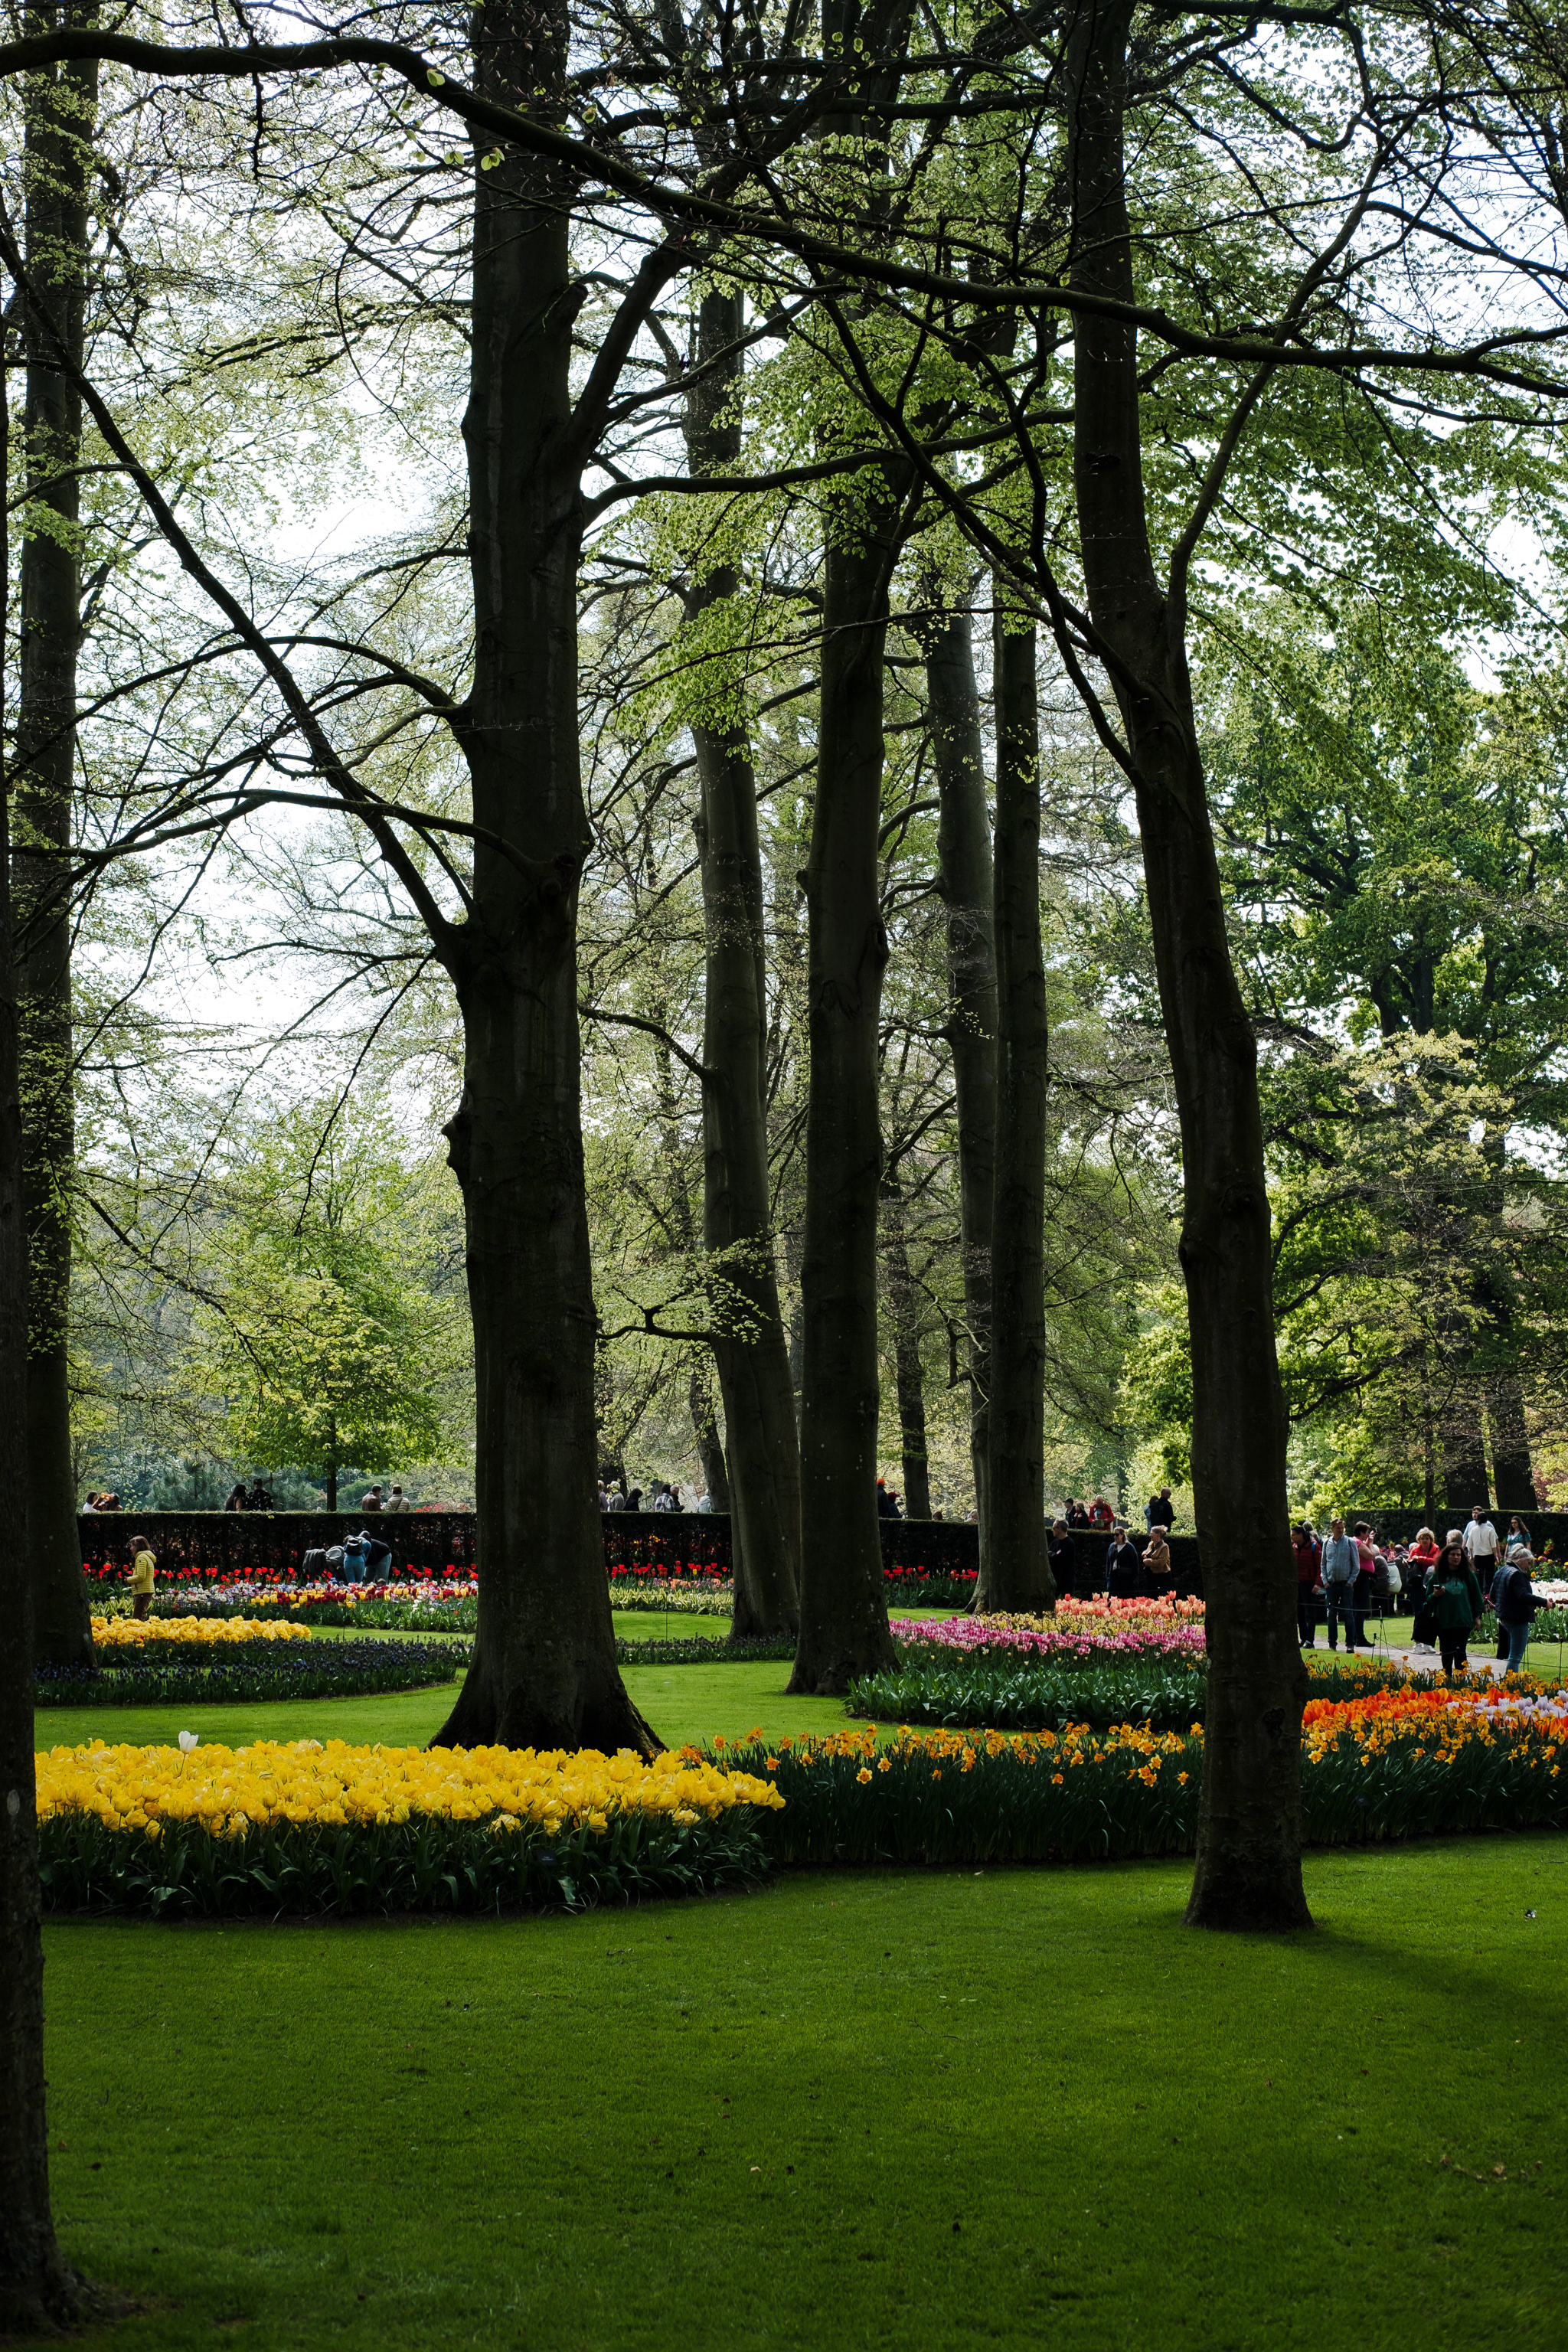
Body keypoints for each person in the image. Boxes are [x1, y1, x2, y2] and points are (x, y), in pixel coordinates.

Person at [1429, 1533, 1485, 1674]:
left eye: (1459, 1555)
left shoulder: (1468, 1575)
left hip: (1463, 1620)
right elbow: (1427, 1599)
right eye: (1453, 1555)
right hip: (1444, 1621)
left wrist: (1477, 1617)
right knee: (1446, 1652)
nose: (1456, 1557)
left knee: (1461, 1652)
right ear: (1446, 1557)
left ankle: (1461, 1682)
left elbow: (1477, 1597)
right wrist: (1435, 1595)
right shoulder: (1438, 1575)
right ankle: (1446, 1680)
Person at [1321, 1517, 1364, 1653]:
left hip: (1346, 1584)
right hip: (1331, 1585)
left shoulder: (1350, 1542)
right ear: (1332, 1528)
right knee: (1331, 1614)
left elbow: (1356, 1565)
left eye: (1342, 1528)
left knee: (1348, 1614)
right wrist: (1325, 1581)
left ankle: (1350, 1643)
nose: (1340, 1530)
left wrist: (1350, 1582)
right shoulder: (1326, 1543)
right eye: (1338, 1528)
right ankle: (1332, 1643)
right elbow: (1323, 1563)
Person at [1491, 1550, 1540, 1672]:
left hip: (1504, 1617)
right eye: (1528, 1562)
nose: (1529, 1566)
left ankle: (1510, 1683)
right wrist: (1544, 1602)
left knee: (1512, 1655)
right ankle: (1512, 1686)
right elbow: (1523, 1596)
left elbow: (1492, 1595)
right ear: (1520, 1558)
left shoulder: (1501, 1571)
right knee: (1515, 1657)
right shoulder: (1517, 1574)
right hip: (1517, 1618)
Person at [1293, 1522, 1321, 1649]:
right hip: (1298, 1584)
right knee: (1300, 1613)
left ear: (1301, 1535)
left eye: (1294, 1535)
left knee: (1309, 1613)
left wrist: (1317, 1583)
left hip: (1309, 1583)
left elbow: (1319, 1567)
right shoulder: (1295, 1548)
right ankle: (1303, 1638)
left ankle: (1310, 1640)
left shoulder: (1314, 1547)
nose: (1292, 1537)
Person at [1105, 1524, 1142, 1596]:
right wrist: (1108, 1578)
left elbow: (1135, 1564)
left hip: (1126, 1579)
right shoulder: (1112, 1547)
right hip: (1113, 1578)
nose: (1115, 1536)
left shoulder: (1129, 1548)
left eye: (1117, 1535)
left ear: (1122, 1535)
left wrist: (1133, 1578)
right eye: (1114, 1535)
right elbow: (1109, 1563)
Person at [128, 1533, 156, 1622]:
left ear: (138, 1546)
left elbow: (141, 1576)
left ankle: (138, 1635)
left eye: (132, 1546)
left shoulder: (142, 1558)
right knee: (140, 1616)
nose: (131, 1548)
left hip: (142, 1592)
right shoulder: (146, 1557)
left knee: (137, 1619)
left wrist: (128, 1579)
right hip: (144, 1591)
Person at [1462, 1504, 1499, 1572]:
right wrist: (1462, 1550)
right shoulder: (1470, 1525)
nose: (1474, 1515)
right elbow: (1465, 1538)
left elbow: (1495, 1540)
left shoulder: (1489, 1525)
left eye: (1476, 1513)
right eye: (1473, 1513)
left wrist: (1497, 1554)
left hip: (1486, 1554)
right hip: (1474, 1555)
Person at [1047, 1519, 1076, 1597]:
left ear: (1060, 1529)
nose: (1052, 1530)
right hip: (1055, 1579)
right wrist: (1054, 1554)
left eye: (1054, 1528)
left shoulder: (1069, 1543)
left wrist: (1053, 1555)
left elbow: (1059, 1559)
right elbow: (1048, 1555)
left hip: (1066, 1580)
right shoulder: (1054, 1543)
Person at [1143, 1526, 1174, 1592]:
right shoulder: (1151, 1544)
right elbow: (1146, 1551)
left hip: (1162, 1576)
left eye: (1152, 1534)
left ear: (1158, 1535)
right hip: (1151, 1575)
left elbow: (1161, 1562)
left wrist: (1148, 1562)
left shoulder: (1165, 1547)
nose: (1150, 1535)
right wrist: (1144, 1554)